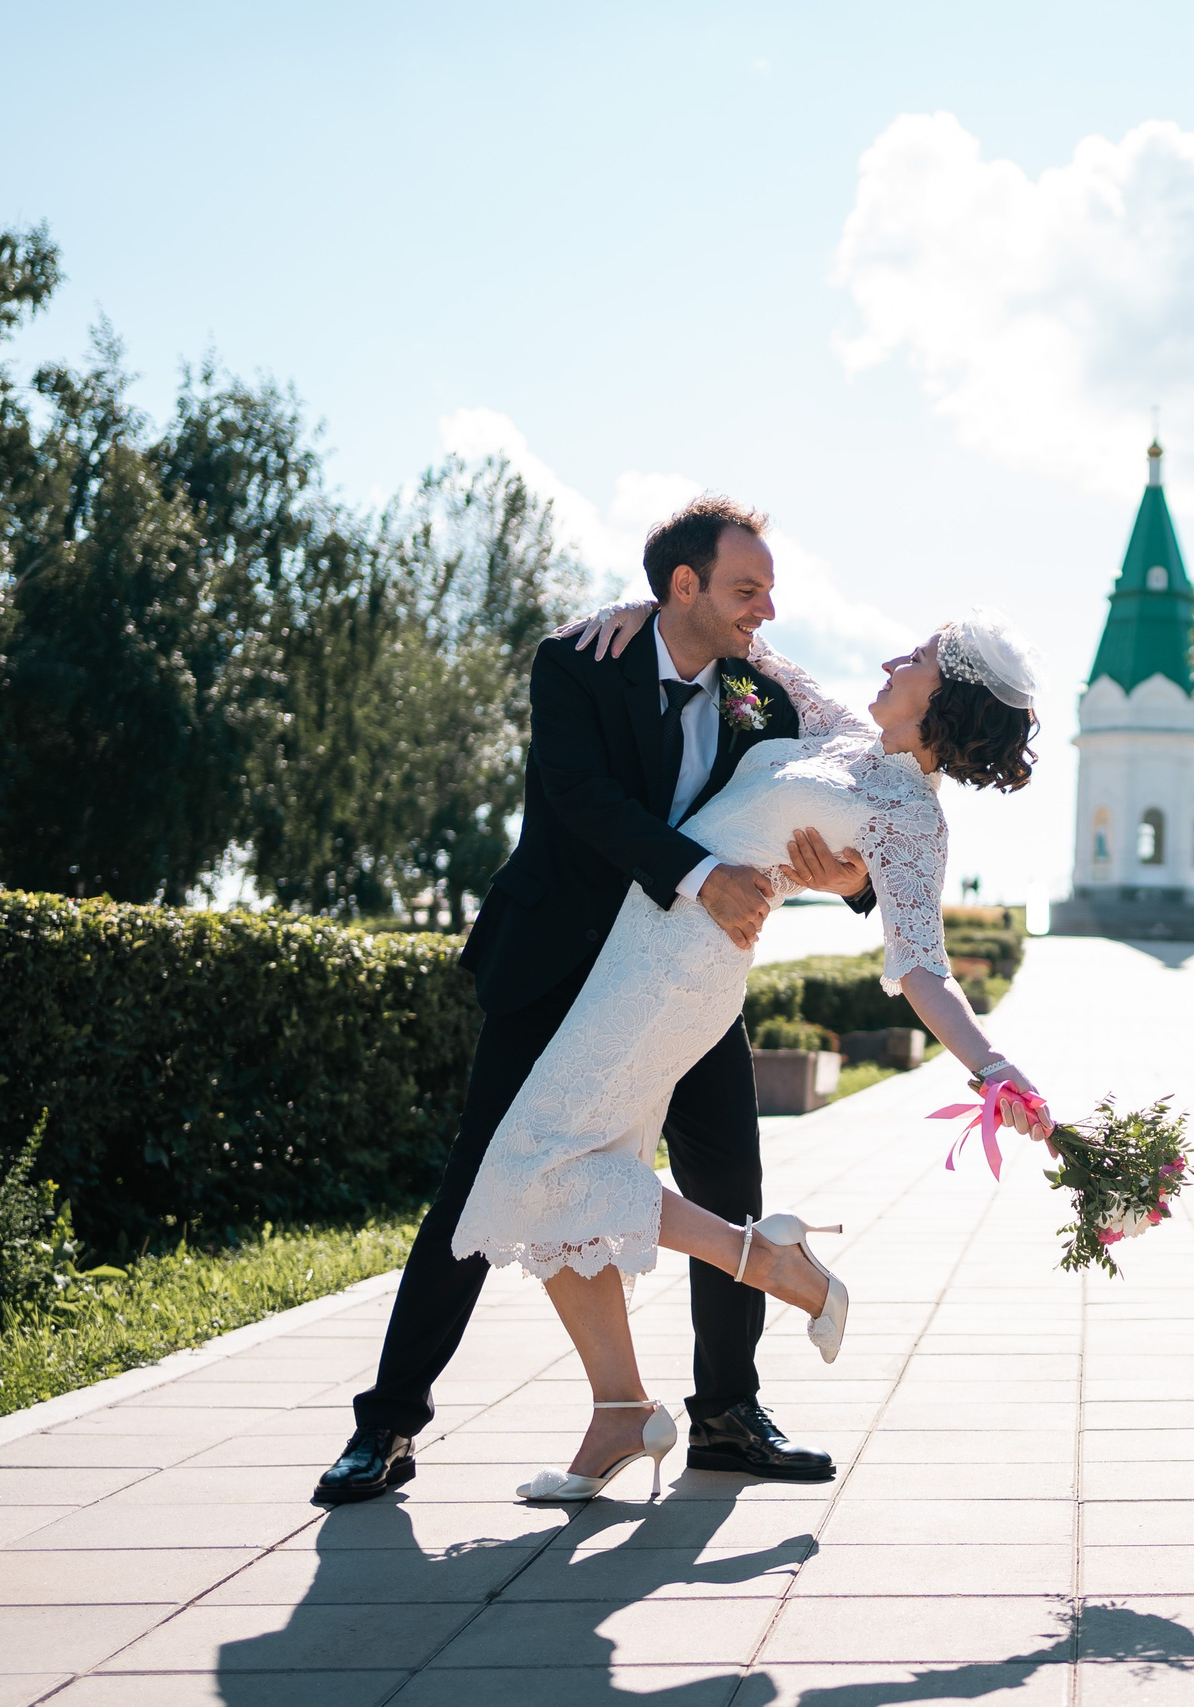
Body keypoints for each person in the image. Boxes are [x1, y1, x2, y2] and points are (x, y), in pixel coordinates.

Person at [365, 506, 1051, 1502]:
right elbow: (732, 642)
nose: (895, 653)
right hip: (620, 947)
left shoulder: (912, 820)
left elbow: (918, 964)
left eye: (921, 654)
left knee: (532, 1167)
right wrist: (633, 606)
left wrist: (992, 1067)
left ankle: (757, 1267)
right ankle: (621, 1413)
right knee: (544, 1179)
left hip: (677, 975)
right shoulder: (830, 721)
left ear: (948, 700)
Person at [315, 496, 880, 1504]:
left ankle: (726, 1416)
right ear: (683, 588)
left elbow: (847, 787)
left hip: (682, 976)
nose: (767, 612)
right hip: (559, 959)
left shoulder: (765, 694)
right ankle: (389, 1428)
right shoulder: (578, 662)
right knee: (482, 1181)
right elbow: (578, 796)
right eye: (747, 590)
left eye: (769, 591)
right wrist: (703, 873)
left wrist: (852, 883)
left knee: (724, 1174)